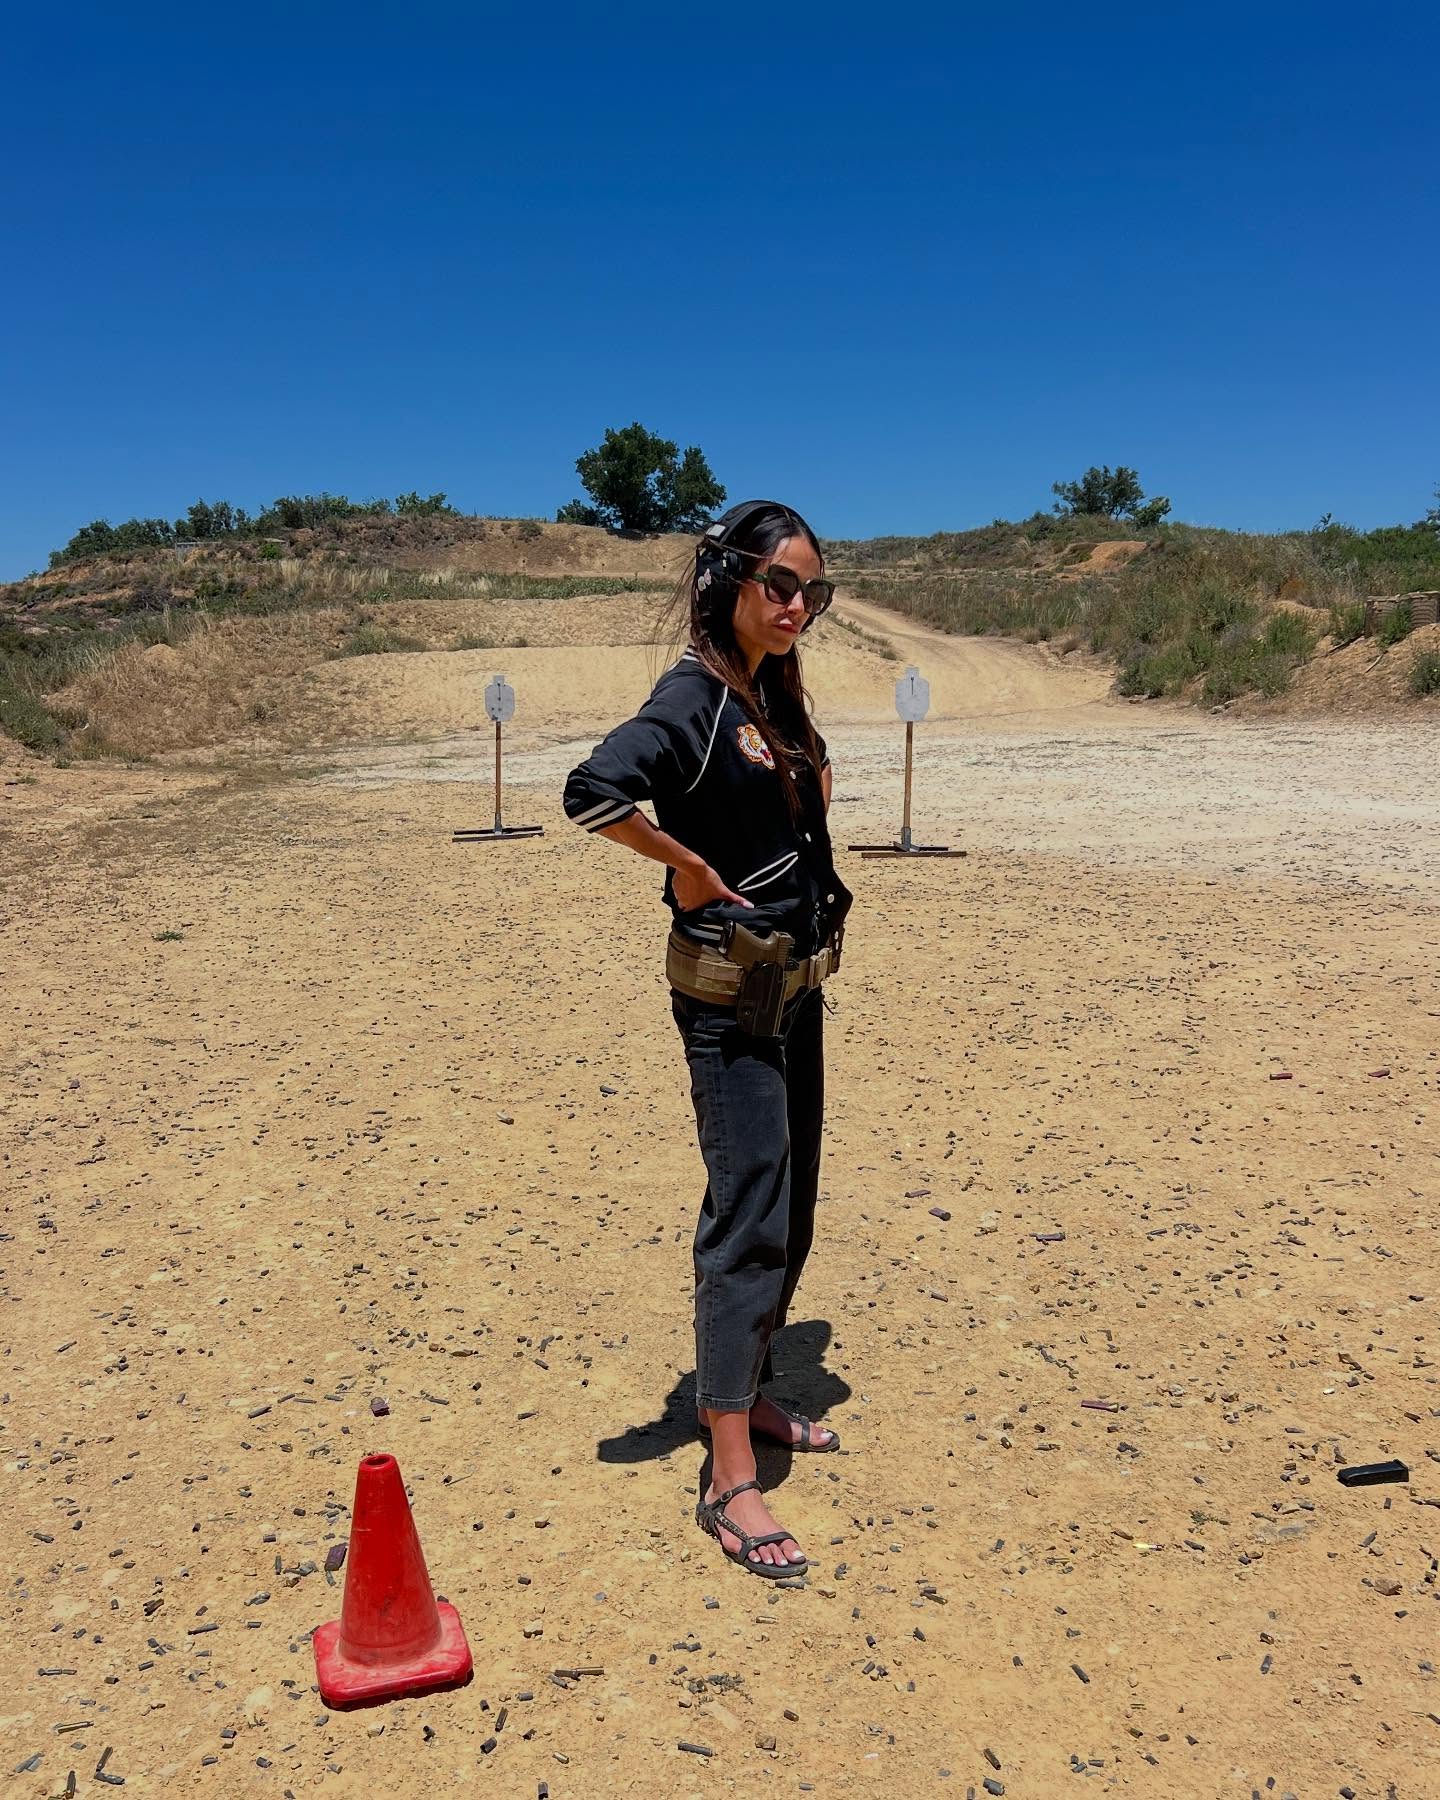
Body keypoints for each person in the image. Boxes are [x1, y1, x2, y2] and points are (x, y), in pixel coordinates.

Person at [563, 500, 853, 1578]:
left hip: (793, 992)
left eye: (813, 591)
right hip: (731, 1003)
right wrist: (684, 865)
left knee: (793, 1204)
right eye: (779, 584)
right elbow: (592, 791)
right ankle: (728, 1474)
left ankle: (747, 1388)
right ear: (727, 578)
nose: (796, 605)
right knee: (748, 1218)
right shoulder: (693, 696)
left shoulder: (770, 691)